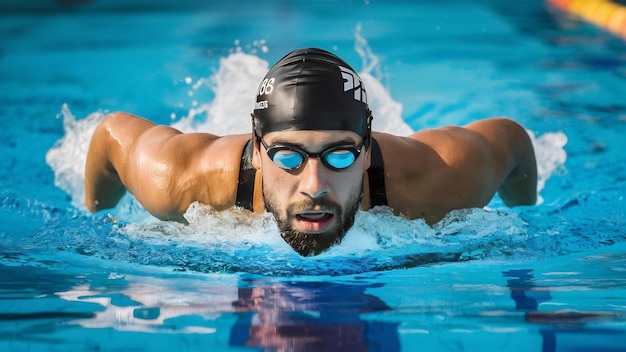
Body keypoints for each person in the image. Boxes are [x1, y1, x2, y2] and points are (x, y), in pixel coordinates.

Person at [85, 48, 537, 256]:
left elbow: (512, 141)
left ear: (366, 149)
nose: (315, 186)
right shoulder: (182, 178)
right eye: (289, 157)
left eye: (340, 154)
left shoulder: (436, 178)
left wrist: (528, 223)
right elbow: (109, 136)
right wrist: (93, 215)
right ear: (259, 151)